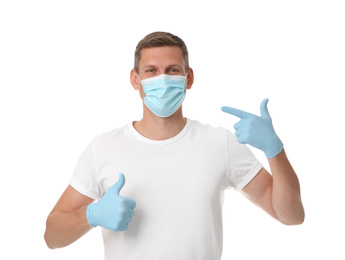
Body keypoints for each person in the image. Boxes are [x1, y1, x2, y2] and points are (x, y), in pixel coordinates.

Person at [44, 31, 304, 259]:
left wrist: (274, 150)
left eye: (172, 70)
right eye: (151, 71)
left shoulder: (219, 143)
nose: (162, 79)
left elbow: (290, 216)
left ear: (188, 78)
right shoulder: (103, 148)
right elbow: (52, 236)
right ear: (135, 80)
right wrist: (91, 215)